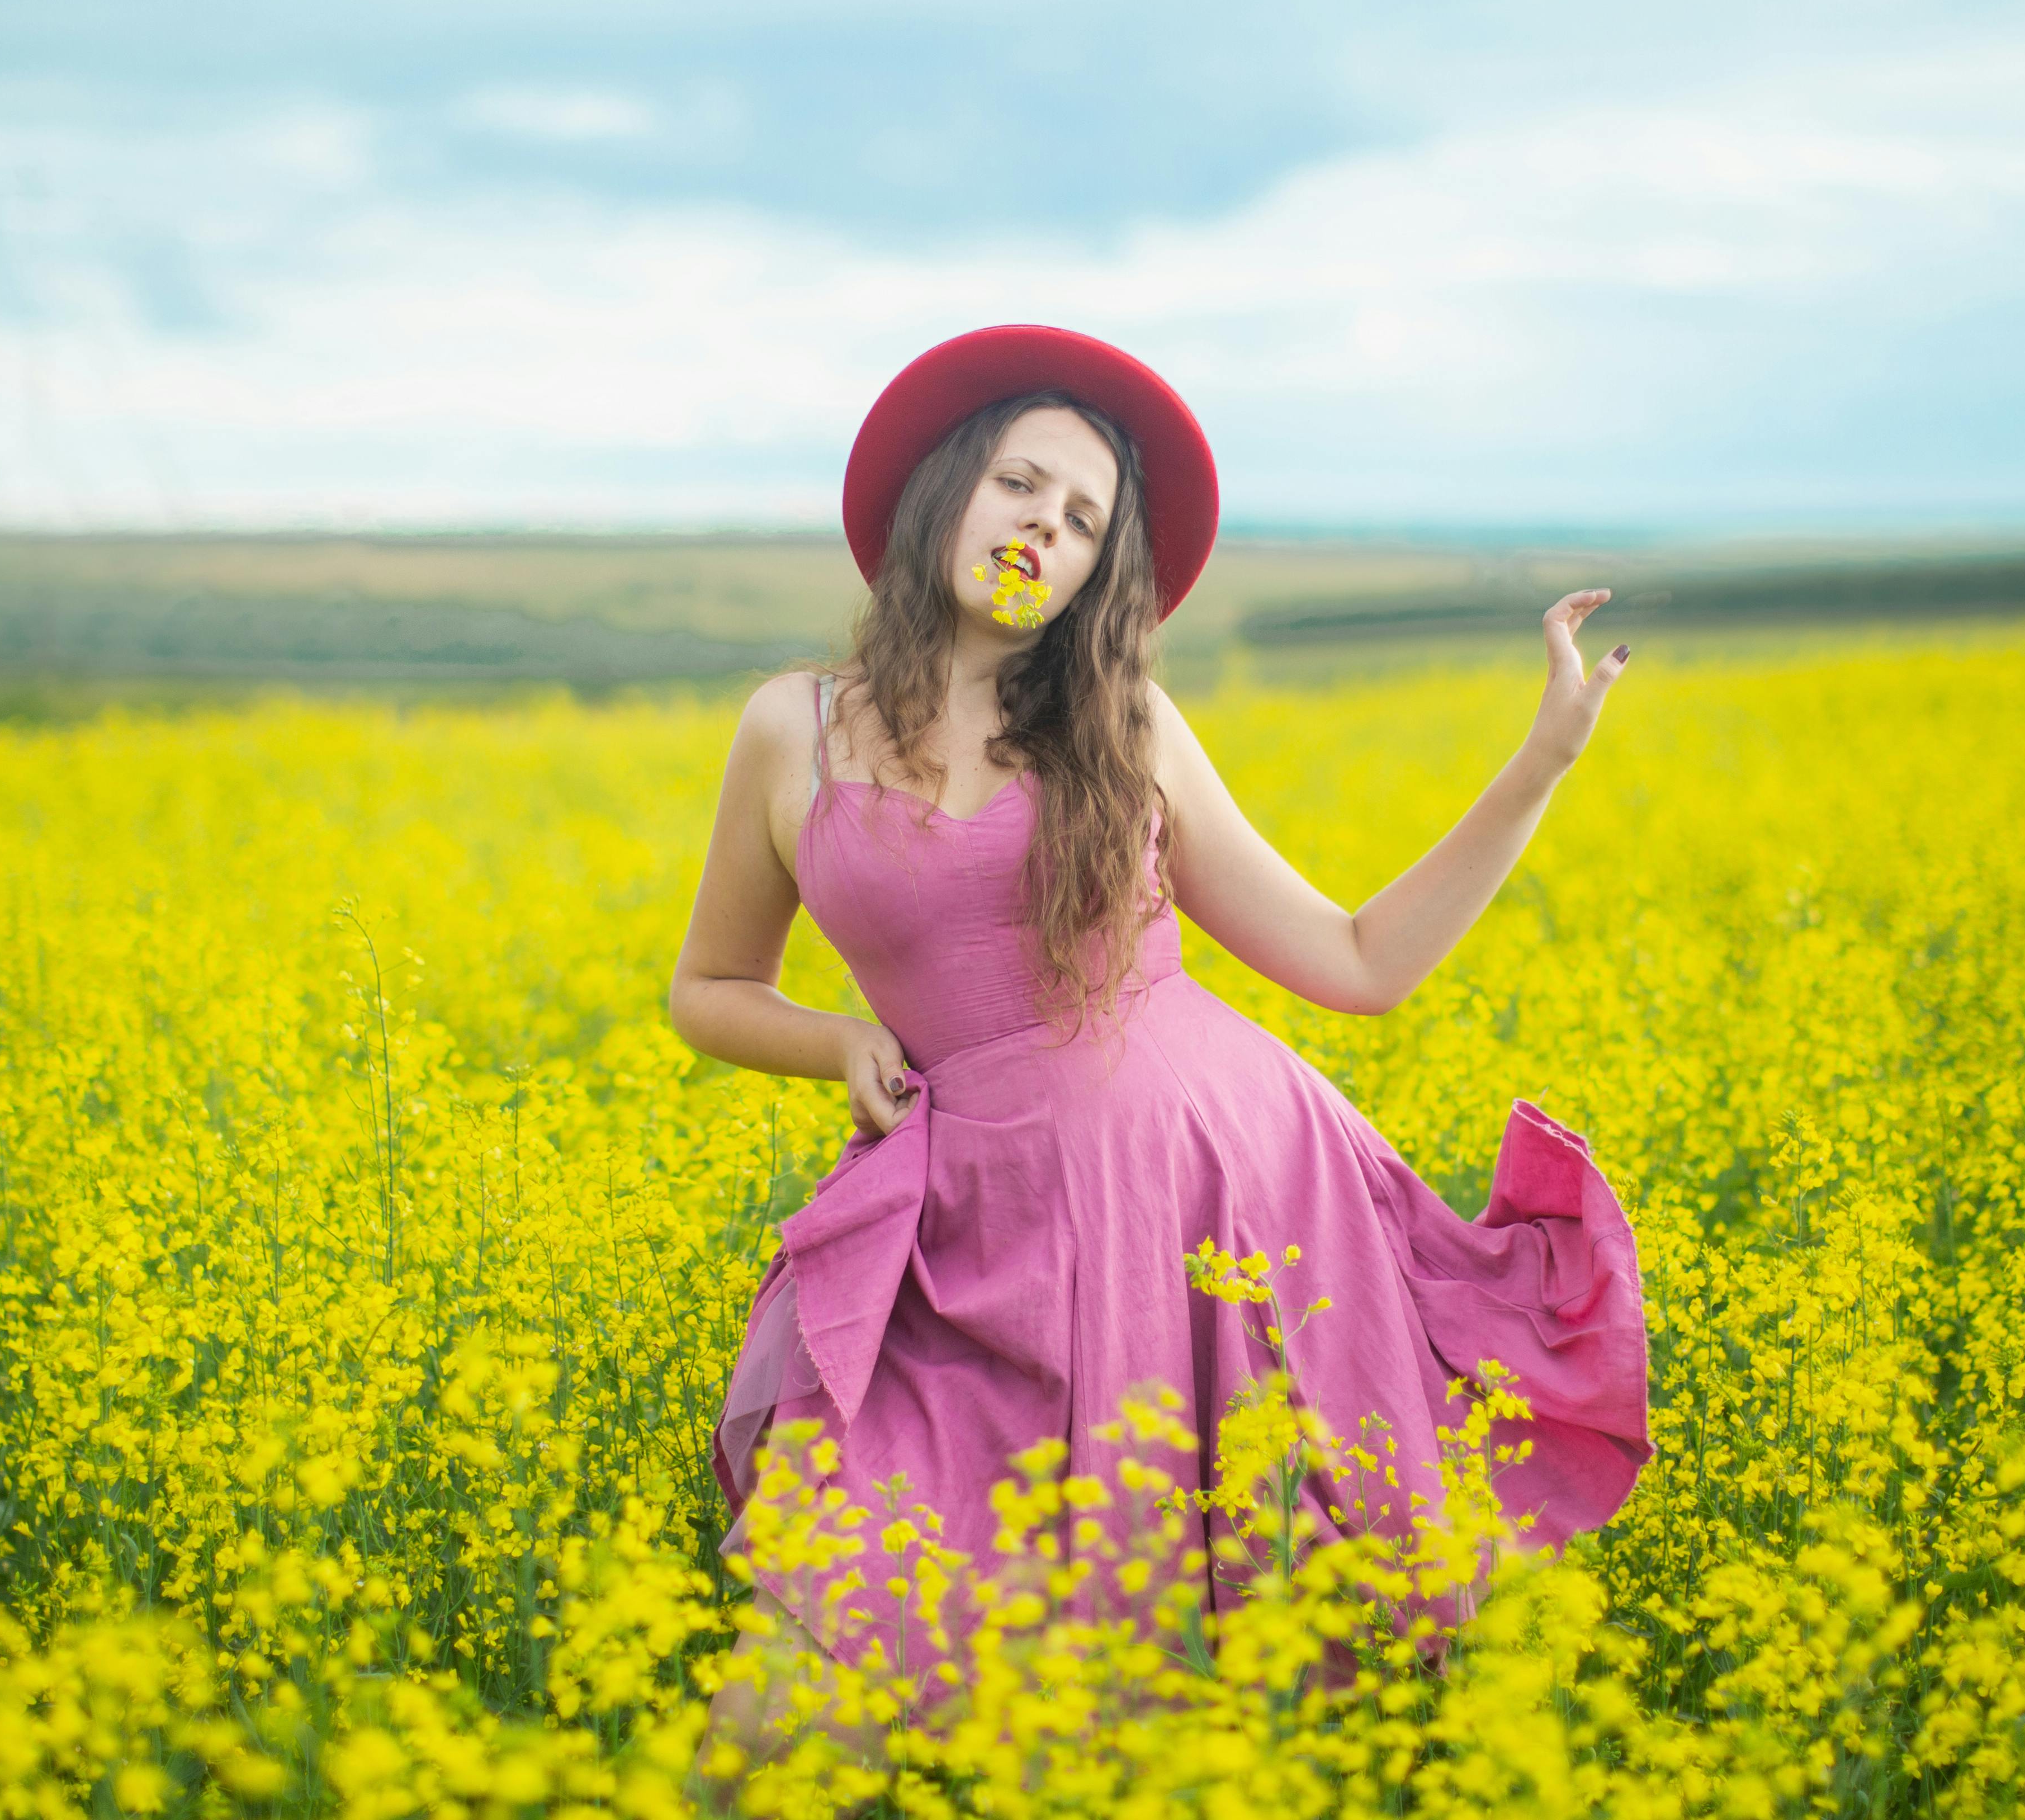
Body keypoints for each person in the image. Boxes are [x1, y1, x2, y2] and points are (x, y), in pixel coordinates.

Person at [669, 323, 1652, 1684]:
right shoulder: (792, 727)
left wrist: (1539, 763)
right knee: (812, 1664)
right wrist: (836, 1040)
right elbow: (709, 988)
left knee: (1232, 1668)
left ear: (1094, 576)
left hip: (1214, 1217)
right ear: (947, 489)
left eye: (1081, 522)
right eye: (1022, 485)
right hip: (966, 1234)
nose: (1042, 529)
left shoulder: (1124, 723)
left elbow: (1361, 962)